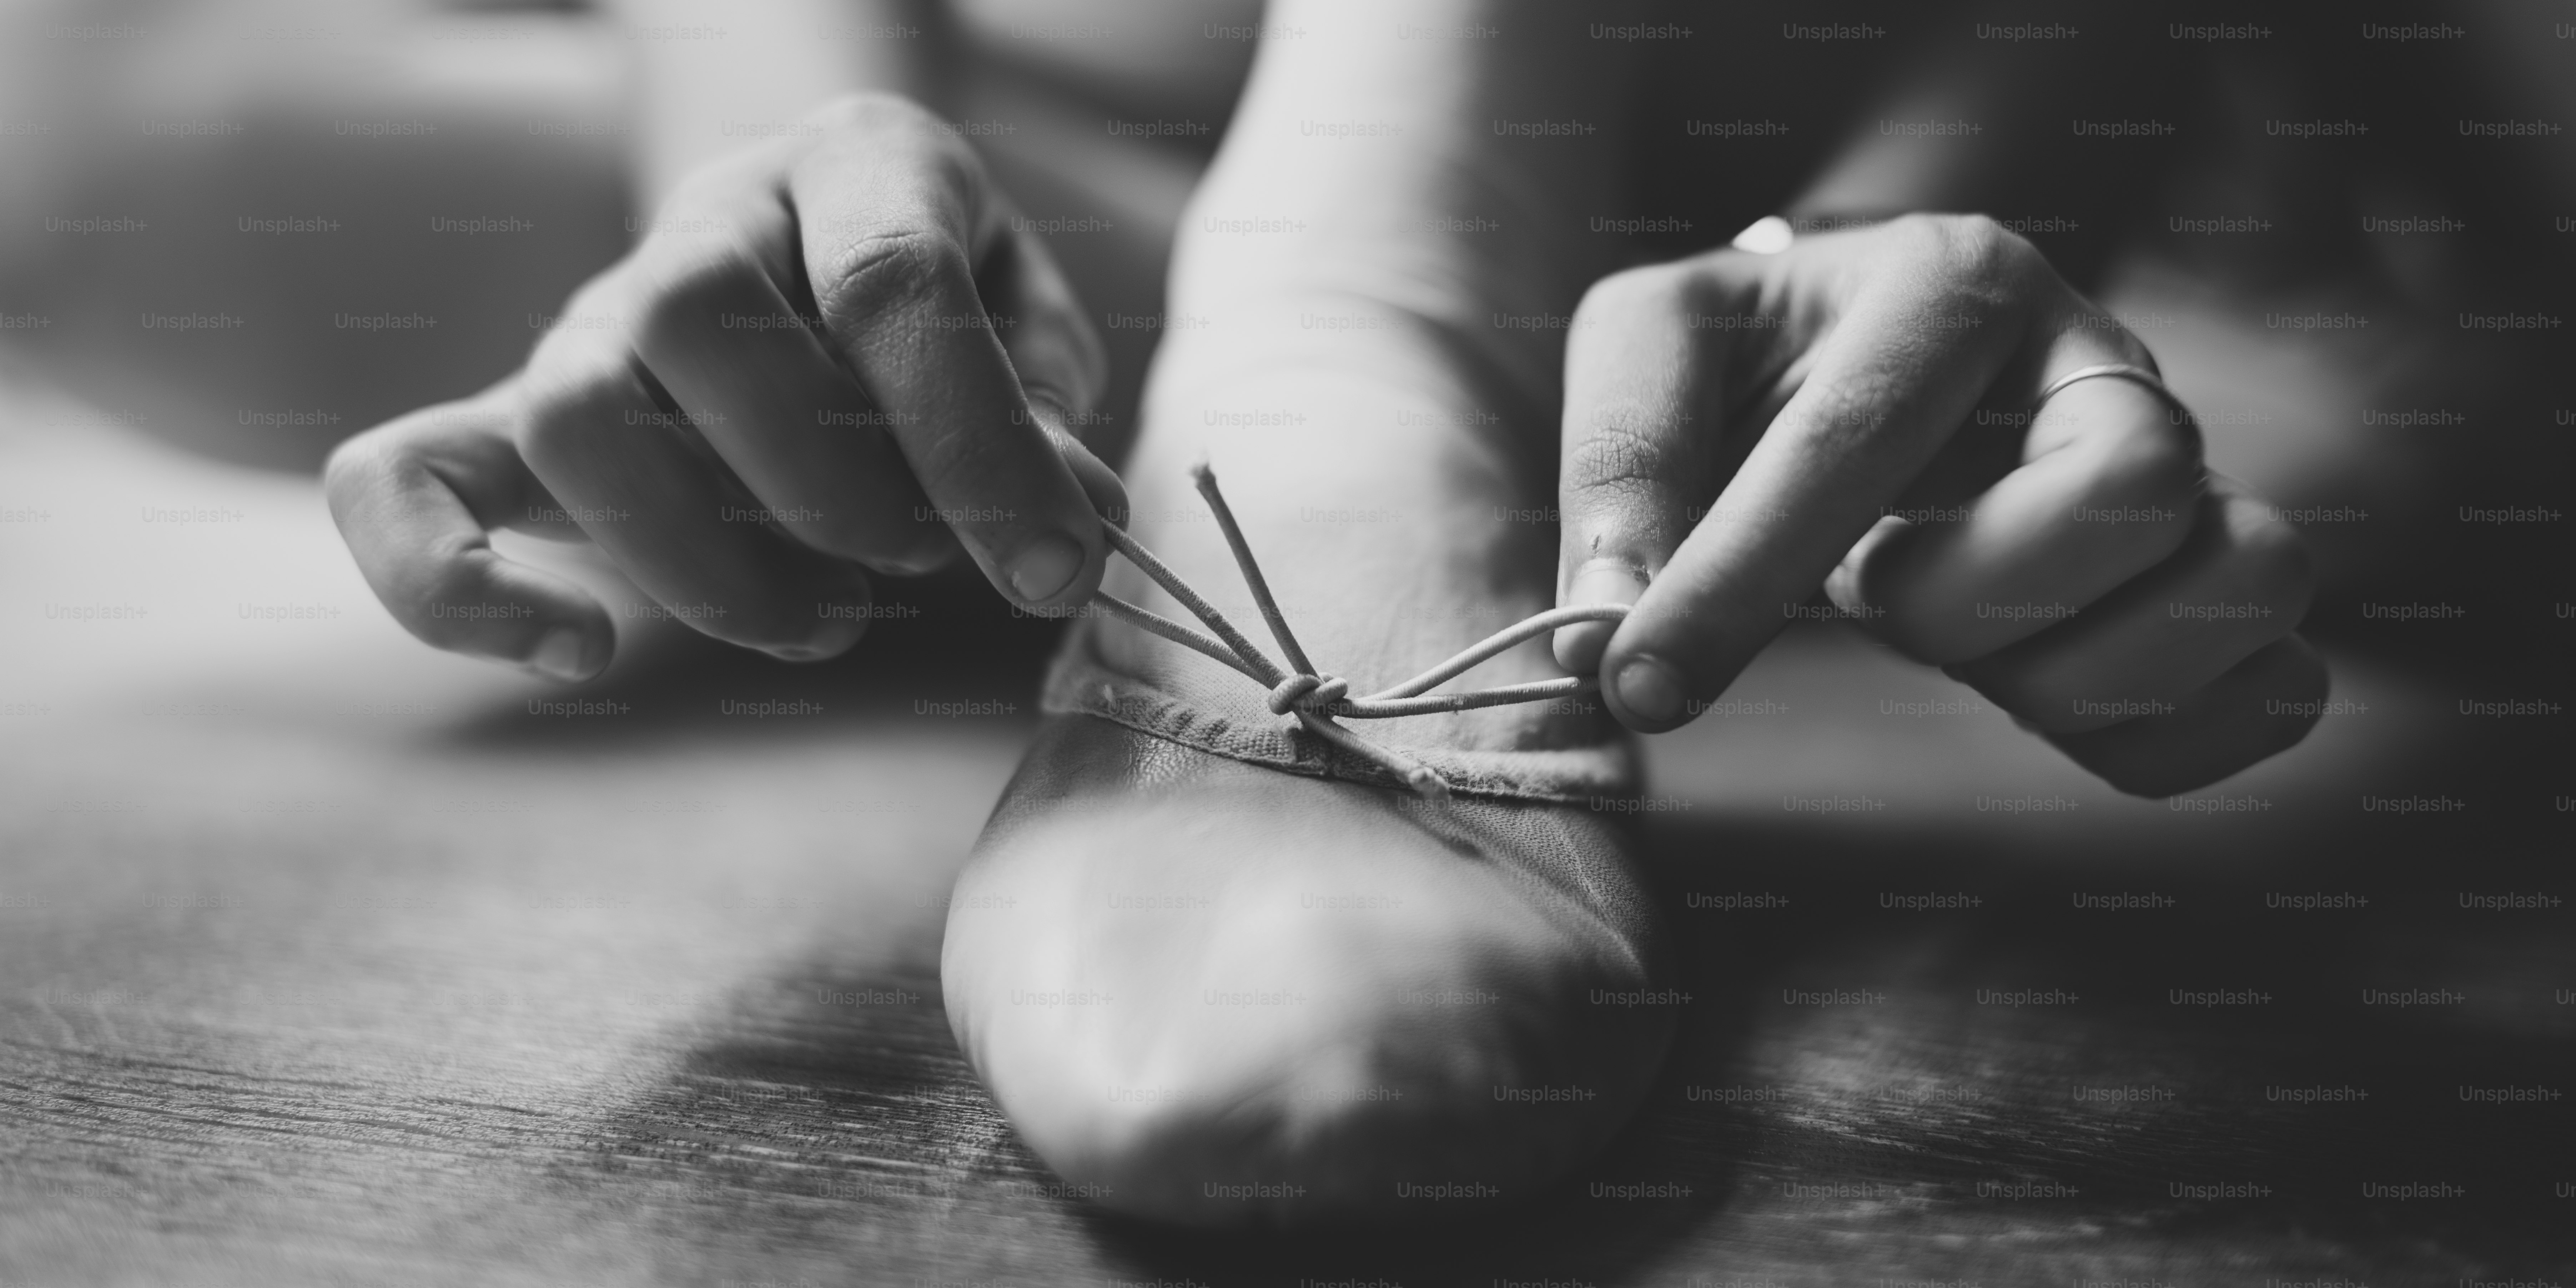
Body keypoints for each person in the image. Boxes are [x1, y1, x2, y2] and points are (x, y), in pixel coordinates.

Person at [314, 0, 2354, 1223]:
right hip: (1098, 86)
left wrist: (1908, 204)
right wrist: (776, 145)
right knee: (131, 161)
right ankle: (1365, 323)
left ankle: (1360, 308)